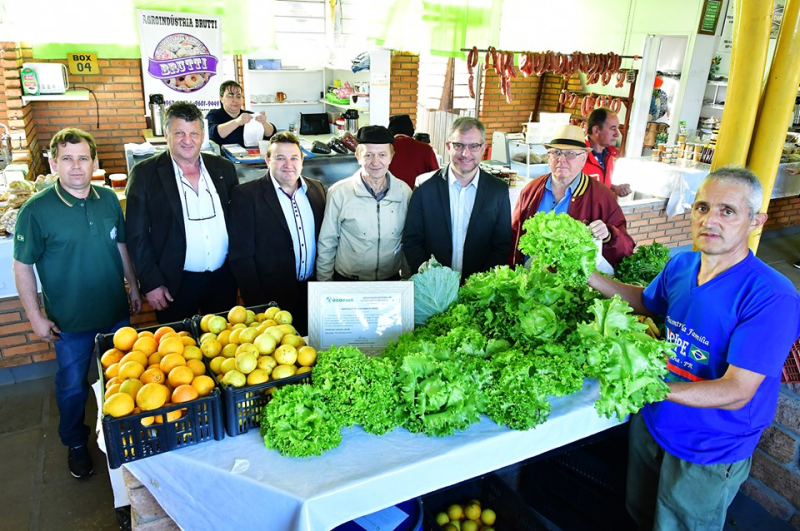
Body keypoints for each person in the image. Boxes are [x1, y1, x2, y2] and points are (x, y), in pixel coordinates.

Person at [588, 167, 800, 530]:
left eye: (727, 211)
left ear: (756, 220)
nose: (710, 220)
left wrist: (646, 387)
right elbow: (646, 302)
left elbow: (737, 391)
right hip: (655, 422)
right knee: (639, 514)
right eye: (702, 207)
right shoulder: (682, 263)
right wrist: (589, 276)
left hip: (711, 446)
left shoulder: (772, 296)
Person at [13, 128, 142, 478]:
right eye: (66, 158)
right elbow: (22, 265)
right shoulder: (36, 211)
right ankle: (75, 442)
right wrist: (35, 317)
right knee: (72, 385)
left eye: (82, 158)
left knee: (125, 380)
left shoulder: (108, 200)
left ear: (94, 162)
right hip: (69, 322)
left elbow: (120, 246)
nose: (75, 166)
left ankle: (123, 436)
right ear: (53, 162)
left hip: (115, 314)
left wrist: (133, 285)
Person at [126, 101, 239, 324]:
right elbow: (136, 234)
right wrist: (151, 282)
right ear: (167, 134)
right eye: (179, 133)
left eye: (194, 133)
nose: (188, 140)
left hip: (223, 280)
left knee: (222, 352)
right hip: (173, 284)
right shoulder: (145, 174)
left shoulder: (223, 168)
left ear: (203, 135)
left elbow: (237, 221)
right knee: (177, 351)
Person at [228, 133, 326, 335]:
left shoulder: (317, 189)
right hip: (271, 301)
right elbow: (241, 257)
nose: (288, 164)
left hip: (313, 293)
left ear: (302, 160)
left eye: (294, 158)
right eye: (280, 158)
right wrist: (259, 306)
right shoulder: (246, 196)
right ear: (267, 161)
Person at [510, 124, 634, 267]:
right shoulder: (531, 189)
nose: (561, 159)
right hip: (530, 280)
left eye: (570, 153)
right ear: (548, 157)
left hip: (571, 287)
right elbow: (514, 236)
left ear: (583, 159)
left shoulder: (601, 196)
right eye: (556, 152)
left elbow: (626, 249)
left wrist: (609, 235)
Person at [403, 116, 511, 280]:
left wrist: (480, 284)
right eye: (459, 145)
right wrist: (430, 280)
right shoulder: (424, 190)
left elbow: (501, 245)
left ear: (483, 148)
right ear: (448, 146)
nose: (465, 153)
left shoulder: (498, 191)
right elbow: (412, 241)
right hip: (434, 287)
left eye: (473, 146)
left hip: (479, 289)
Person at [316, 125, 412, 281]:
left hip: (390, 281)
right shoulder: (339, 193)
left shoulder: (404, 192)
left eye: (382, 155)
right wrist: (324, 286)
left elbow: (408, 240)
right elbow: (327, 243)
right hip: (348, 281)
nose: (375, 162)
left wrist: (408, 280)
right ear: (358, 156)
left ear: (391, 157)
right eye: (368, 155)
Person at [206, 80, 275, 147]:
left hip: (251, 156)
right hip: (223, 157)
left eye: (238, 96)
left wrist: (264, 122)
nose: (235, 100)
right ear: (221, 98)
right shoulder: (214, 114)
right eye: (230, 96)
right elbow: (213, 134)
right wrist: (237, 122)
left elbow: (272, 135)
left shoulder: (250, 115)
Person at [584, 108, 631, 198]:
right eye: (613, 129)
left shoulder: (608, 155)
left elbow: (597, 183)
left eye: (617, 128)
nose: (617, 134)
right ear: (596, 130)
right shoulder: (577, 155)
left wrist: (613, 187)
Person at [386, 114, 439, 189]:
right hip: (418, 196)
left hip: (389, 196)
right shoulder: (426, 149)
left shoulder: (384, 148)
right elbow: (436, 176)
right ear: (411, 131)